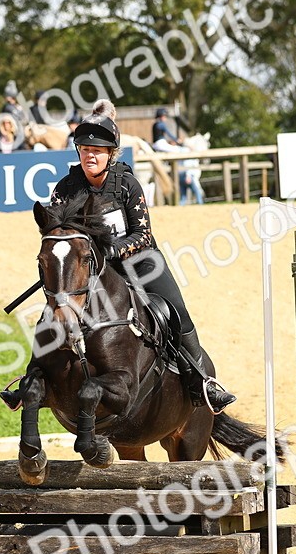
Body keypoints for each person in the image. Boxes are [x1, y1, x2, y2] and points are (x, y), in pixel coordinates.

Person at [46, 99, 237, 414]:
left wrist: (111, 251)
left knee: (176, 310)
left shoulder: (127, 184)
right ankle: (35, 380)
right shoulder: (67, 188)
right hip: (90, 268)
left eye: (97, 151)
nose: (90, 155)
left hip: (139, 260)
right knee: (55, 306)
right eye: (84, 150)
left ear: (111, 154)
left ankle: (200, 382)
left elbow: (143, 234)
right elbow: (55, 230)